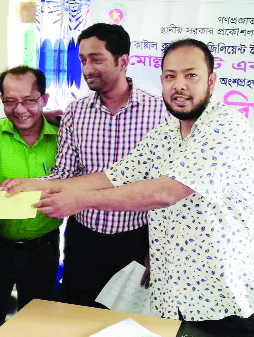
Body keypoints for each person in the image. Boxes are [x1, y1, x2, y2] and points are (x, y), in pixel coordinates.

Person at [0, 39, 254, 334]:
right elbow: (113, 175)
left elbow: (166, 192)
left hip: (228, 296)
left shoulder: (225, 125)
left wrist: (80, 200)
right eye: (170, 76)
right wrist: (32, 186)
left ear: (211, 81)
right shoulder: (166, 132)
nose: (179, 85)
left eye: (190, 75)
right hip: (176, 296)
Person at [39, 23, 169, 308]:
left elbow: (166, 190)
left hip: (137, 239)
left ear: (123, 61)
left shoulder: (160, 113)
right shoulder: (75, 112)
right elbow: (64, 175)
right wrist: (20, 189)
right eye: (83, 60)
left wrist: (156, 248)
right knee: (77, 316)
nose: (86, 69)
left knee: (127, 321)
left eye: (96, 59)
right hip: (83, 240)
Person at [0, 66, 62, 332]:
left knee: (37, 322)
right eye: (10, 101)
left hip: (43, 246)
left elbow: (69, 185)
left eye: (29, 101)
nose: (20, 110)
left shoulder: (63, 134)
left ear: (44, 100)